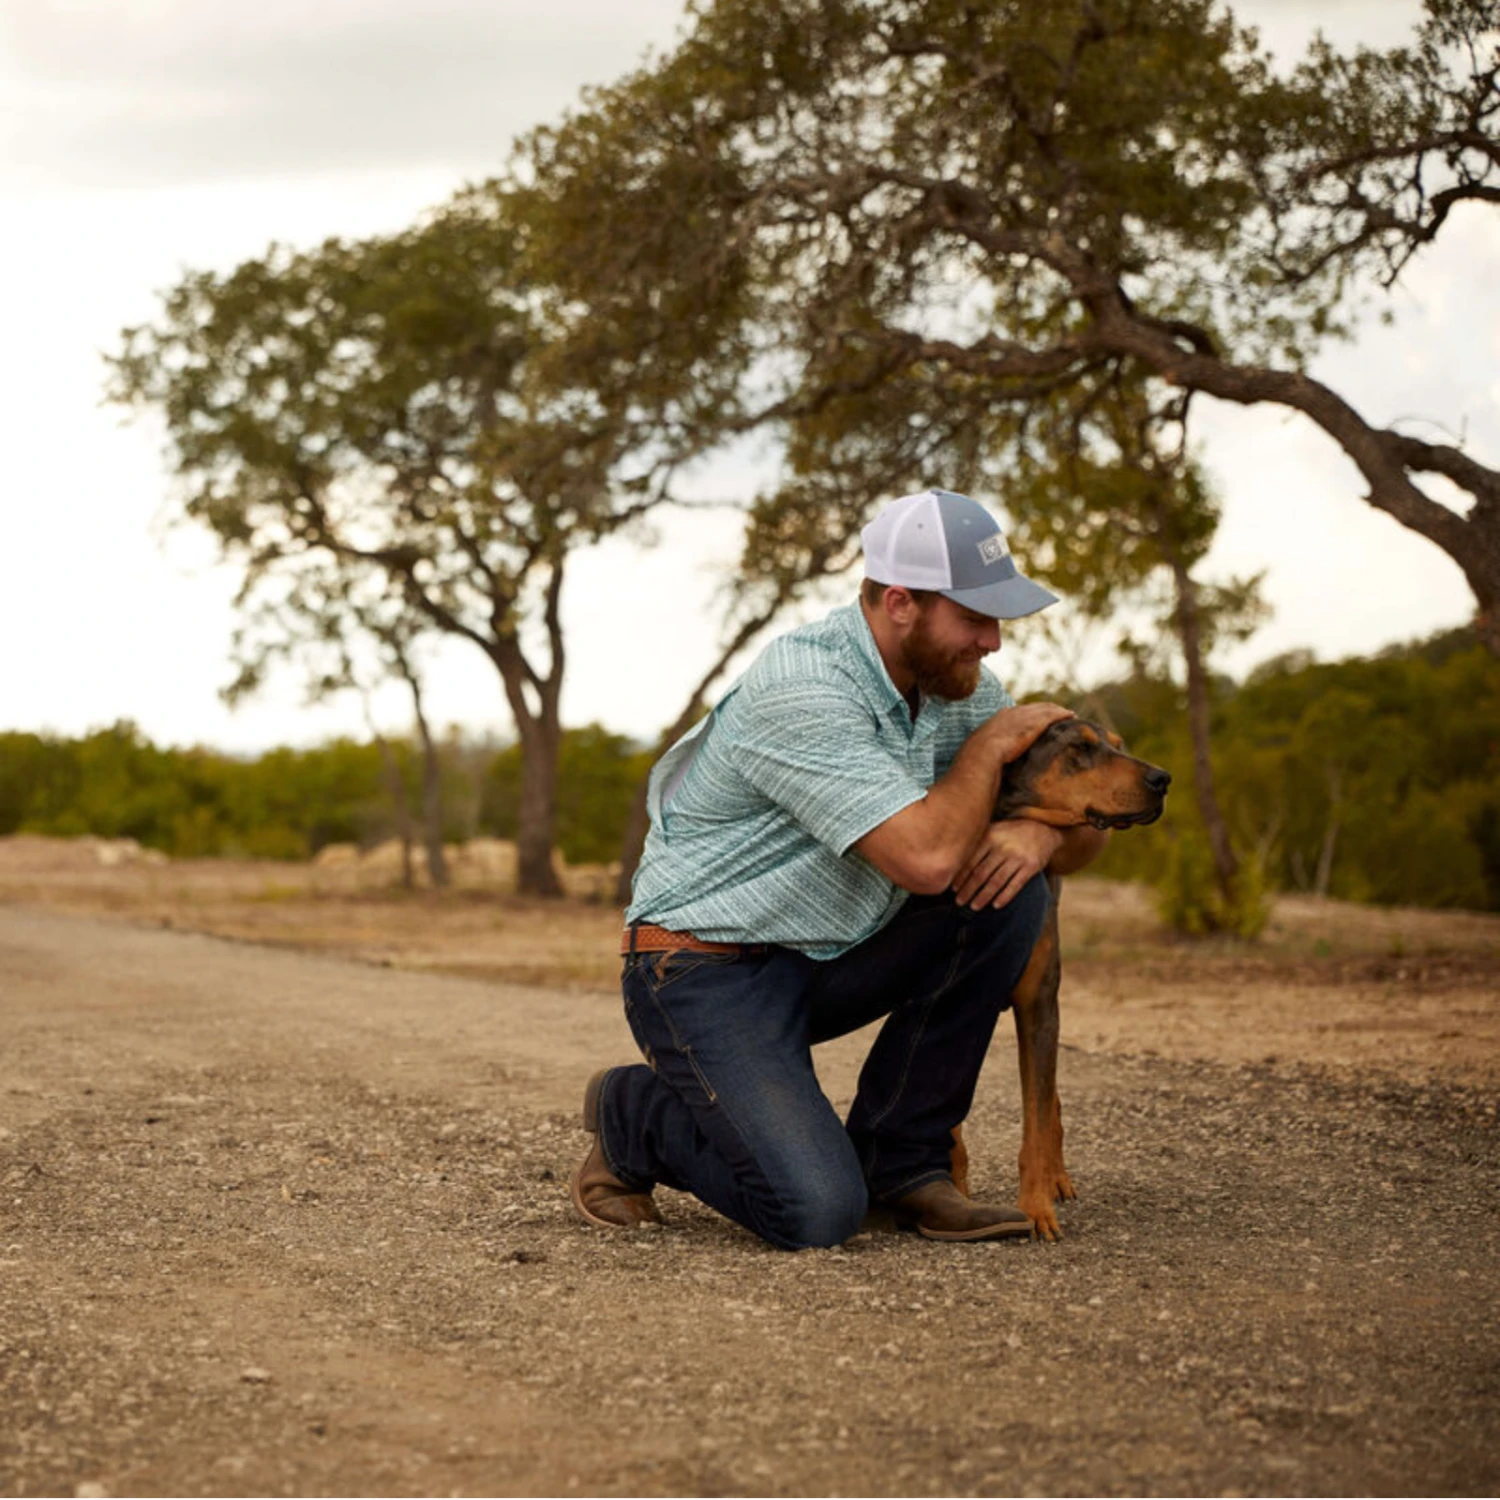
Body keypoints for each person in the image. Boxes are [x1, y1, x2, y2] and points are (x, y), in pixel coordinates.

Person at [573, 488, 1109, 1249]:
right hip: (703, 971)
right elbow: (925, 861)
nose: (993, 641)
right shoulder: (806, 687)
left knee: (1008, 891)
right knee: (817, 1211)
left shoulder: (960, 688)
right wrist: (990, 754)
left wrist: (1042, 838)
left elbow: (1088, 824)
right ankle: (633, 1114)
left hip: (827, 953)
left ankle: (906, 1162)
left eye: (998, 620)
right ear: (900, 604)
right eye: (975, 617)